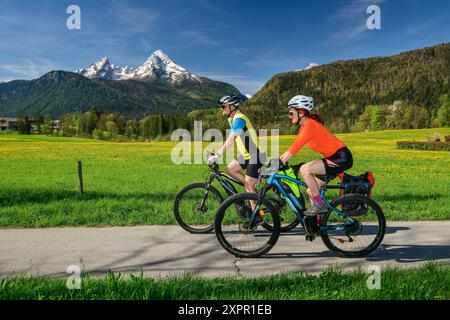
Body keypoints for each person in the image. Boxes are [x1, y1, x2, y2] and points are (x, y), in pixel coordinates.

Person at [279, 95, 353, 216]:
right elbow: (292, 147)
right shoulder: (303, 128)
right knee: (311, 191)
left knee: (305, 169)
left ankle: (319, 205)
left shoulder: (310, 125)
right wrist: (276, 161)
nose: (289, 116)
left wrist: (276, 164)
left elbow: (294, 149)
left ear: (301, 112)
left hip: (341, 158)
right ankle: (318, 226)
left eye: (291, 113)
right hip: (333, 158)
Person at [207, 95, 265, 198]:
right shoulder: (233, 119)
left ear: (232, 106)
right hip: (247, 155)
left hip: (255, 156)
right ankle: (254, 190)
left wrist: (217, 155)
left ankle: (255, 212)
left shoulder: (239, 119)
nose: (221, 109)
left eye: (223, 106)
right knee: (230, 168)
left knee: (248, 185)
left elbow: (231, 139)